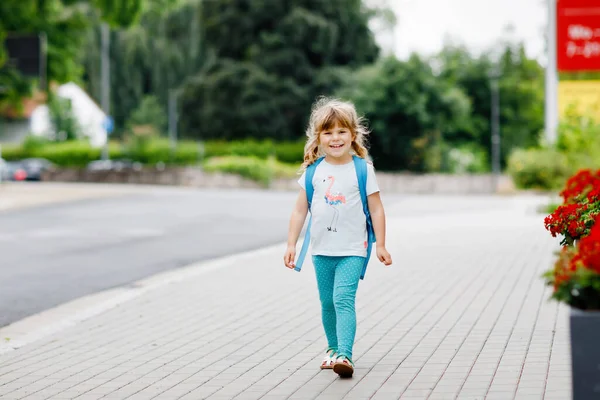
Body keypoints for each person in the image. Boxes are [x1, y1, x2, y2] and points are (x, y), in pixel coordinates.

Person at [284, 97, 392, 378]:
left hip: (353, 249)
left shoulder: (362, 169)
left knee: (343, 298)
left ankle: (345, 354)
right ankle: (331, 349)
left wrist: (380, 243)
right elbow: (299, 211)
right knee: (327, 302)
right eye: (328, 132)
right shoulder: (313, 171)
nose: (335, 138)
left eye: (341, 131)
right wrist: (291, 244)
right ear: (318, 136)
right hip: (321, 250)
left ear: (353, 135)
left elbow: (376, 209)